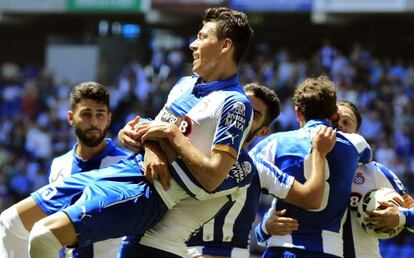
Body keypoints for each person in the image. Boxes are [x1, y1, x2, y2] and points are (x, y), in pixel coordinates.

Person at [0, 7, 255, 258]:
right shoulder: (185, 84)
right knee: (11, 221)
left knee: (44, 236)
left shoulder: (234, 104)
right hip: (124, 170)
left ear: (225, 46)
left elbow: (213, 176)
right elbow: (153, 132)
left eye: (202, 37)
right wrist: (141, 139)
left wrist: (170, 134)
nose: (192, 44)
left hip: (149, 191)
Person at [117, 83, 336, 258]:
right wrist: (149, 147)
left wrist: (318, 153)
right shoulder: (183, 146)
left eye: (255, 114)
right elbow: (146, 131)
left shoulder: (258, 167)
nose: (244, 117)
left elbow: (312, 198)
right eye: (243, 107)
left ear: (263, 132)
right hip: (165, 249)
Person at [0, 81, 129, 258]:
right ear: (70, 117)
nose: (94, 122)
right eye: (86, 114)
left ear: (109, 118)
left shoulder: (125, 164)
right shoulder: (59, 165)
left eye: (100, 115)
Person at [253, 76, 371, 258]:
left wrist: (263, 227)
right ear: (334, 115)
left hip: (280, 247)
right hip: (328, 251)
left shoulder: (275, 143)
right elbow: (367, 156)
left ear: (297, 112)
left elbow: (241, 175)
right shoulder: (356, 144)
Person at [335, 100, 414, 258]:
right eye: (333, 121)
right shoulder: (307, 167)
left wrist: (401, 216)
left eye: (346, 122)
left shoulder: (375, 171)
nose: (339, 126)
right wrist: (269, 223)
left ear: (357, 135)